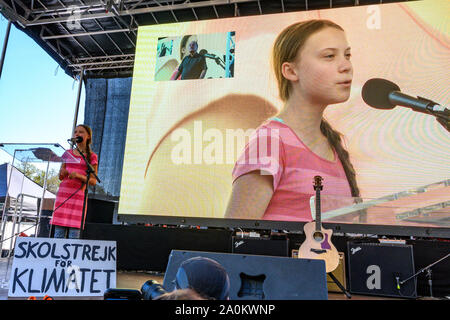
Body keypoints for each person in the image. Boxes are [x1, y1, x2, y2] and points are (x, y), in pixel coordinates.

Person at [224, 19, 360, 222]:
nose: (346, 66)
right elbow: (235, 235)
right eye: (329, 56)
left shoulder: (334, 145)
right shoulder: (270, 140)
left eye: (347, 55)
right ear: (290, 71)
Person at [50, 124, 98, 238]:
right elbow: (60, 176)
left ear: (88, 137)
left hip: (78, 197)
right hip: (63, 195)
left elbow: (93, 181)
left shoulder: (92, 156)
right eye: (75, 132)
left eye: (81, 132)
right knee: (58, 234)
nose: (77, 134)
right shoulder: (67, 153)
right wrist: (63, 172)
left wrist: (78, 175)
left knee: (74, 236)